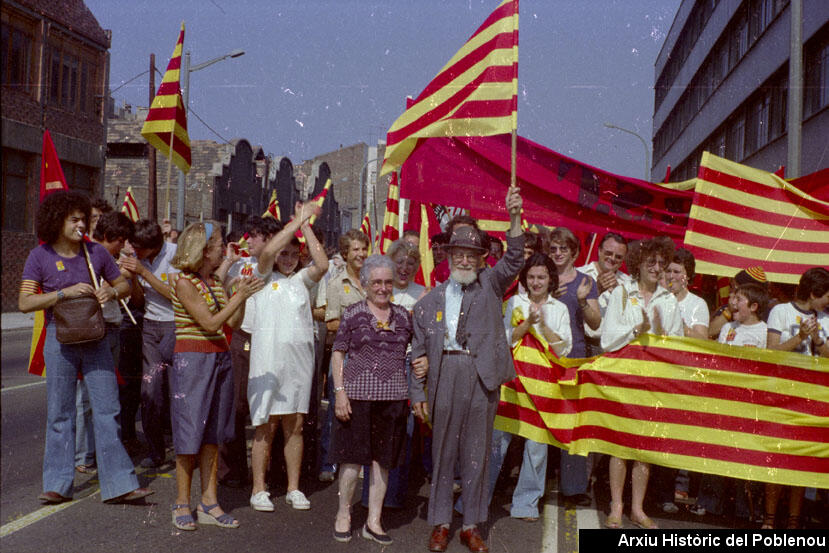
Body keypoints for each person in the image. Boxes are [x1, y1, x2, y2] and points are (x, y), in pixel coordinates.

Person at [19, 190, 152, 504]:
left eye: (84, 219)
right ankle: (57, 484)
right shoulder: (40, 256)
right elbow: (25, 302)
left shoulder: (97, 253)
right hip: (59, 338)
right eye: (75, 219)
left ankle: (119, 483)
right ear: (57, 221)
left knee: (108, 410)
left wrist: (112, 291)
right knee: (59, 413)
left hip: (97, 339)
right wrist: (63, 294)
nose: (82, 225)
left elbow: (123, 284)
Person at [410, 186, 524, 553]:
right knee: (443, 453)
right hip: (444, 377)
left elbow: (516, 258)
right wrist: (417, 393)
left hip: (480, 378)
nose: (464, 261)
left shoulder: (491, 285)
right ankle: (441, 523)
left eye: (471, 255)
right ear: (448, 255)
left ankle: (472, 525)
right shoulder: (428, 304)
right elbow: (416, 353)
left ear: (480, 259)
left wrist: (515, 216)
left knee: (477, 453)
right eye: (458, 253)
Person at [168, 221, 264, 530]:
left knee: (213, 435)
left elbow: (231, 323)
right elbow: (209, 324)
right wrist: (238, 296)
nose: (224, 248)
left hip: (219, 357)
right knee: (189, 434)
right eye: (219, 244)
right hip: (193, 359)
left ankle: (209, 500)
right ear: (204, 249)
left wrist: (243, 296)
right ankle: (182, 501)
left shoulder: (212, 281)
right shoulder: (184, 282)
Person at [330, 255, 417, 545]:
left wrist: (423, 361)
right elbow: (338, 353)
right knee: (352, 462)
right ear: (366, 283)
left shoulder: (403, 316)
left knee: (383, 462)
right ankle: (344, 514)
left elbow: (415, 352)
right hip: (356, 398)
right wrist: (340, 392)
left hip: (392, 399)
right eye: (377, 282)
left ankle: (374, 520)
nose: (382, 287)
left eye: (388, 282)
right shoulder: (354, 313)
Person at [247, 204, 327, 512]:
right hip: (268, 363)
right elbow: (268, 254)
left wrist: (306, 226)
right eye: (285, 253)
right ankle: (258, 489)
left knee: (295, 425)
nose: (288, 259)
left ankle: (294, 488)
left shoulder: (302, 280)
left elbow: (321, 263)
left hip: (298, 365)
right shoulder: (263, 274)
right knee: (266, 426)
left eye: (294, 255)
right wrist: (297, 220)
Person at [600, 235, 683, 529]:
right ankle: (617, 505)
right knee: (621, 445)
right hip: (625, 377)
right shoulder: (623, 292)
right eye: (652, 262)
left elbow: (677, 346)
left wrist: (660, 332)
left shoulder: (670, 300)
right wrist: (638, 328)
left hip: (654, 382)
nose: (657, 267)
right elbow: (607, 338)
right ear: (639, 263)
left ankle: (637, 508)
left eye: (662, 263)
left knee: (644, 447)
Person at [497, 253, 572, 522]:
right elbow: (505, 338)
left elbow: (565, 348)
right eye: (531, 277)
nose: (536, 282)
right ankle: (478, 497)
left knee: (536, 449)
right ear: (524, 279)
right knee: (498, 442)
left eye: (542, 277)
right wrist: (527, 323)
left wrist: (543, 325)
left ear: (551, 279)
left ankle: (526, 503)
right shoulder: (513, 302)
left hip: (543, 388)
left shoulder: (560, 308)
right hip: (512, 383)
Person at [359, 239, 427, 509]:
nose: (405, 267)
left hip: (409, 364)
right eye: (399, 262)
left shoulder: (423, 294)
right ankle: (369, 498)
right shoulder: (380, 290)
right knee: (376, 431)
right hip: (378, 365)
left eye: (411, 263)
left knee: (405, 432)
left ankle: (395, 496)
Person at [215, 215, 281, 488]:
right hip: (243, 336)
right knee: (236, 405)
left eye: (254, 235)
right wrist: (229, 261)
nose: (248, 240)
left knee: (270, 409)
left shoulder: (277, 266)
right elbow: (217, 285)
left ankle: (272, 471)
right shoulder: (241, 264)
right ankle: (232, 471)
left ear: (269, 240)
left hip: (270, 339)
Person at [763, 267, 829, 529]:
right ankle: (768, 520)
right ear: (813, 293)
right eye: (826, 296)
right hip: (783, 394)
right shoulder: (781, 311)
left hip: (810, 396)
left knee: (800, 461)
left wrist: (816, 339)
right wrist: (799, 337)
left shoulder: (825, 318)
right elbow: (772, 352)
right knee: (777, 457)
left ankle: (793, 521)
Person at [73, 212, 136, 475]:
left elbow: (123, 289)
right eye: (120, 241)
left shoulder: (107, 258)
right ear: (111, 237)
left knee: (108, 396)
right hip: (94, 331)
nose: (122, 247)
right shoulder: (90, 255)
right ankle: (84, 455)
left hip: (112, 327)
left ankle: (101, 452)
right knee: (88, 396)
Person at [120, 219, 179, 468]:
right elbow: (139, 301)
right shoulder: (138, 259)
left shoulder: (174, 255)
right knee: (150, 391)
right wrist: (134, 277)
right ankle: (156, 452)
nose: (135, 252)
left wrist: (144, 272)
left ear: (153, 246)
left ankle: (187, 451)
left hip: (176, 327)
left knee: (178, 391)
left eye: (139, 249)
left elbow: (177, 294)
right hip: (151, 328)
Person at [549, 226, 600, 506]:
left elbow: (595, 323)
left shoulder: (585, 281)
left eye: (563, 249)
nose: (557, 254)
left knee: (572, 423)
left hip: (575, 355)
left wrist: (581, 301)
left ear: (574, 252)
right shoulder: (541, 275)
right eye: (553, 249)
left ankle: (574, 488)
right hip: (544, 355)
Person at [318, 229, 370, 482]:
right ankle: (329, 462)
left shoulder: (375, 280)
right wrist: (360, 323)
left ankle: (358, 461)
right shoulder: (336, 284)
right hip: (345, 356)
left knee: (364, 412)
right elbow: (329, 323)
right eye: (355, 250)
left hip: (371, 357)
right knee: (335, 413)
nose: (361, 254)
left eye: (364, 248)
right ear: (345, 254)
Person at [577, 232, 631, 356]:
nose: (612, 259)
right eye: (608, 253)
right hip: (583, 344)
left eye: (618, 257)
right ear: (599, 251)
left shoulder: (628, 283)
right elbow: (570, 311)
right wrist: (596, 291)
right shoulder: (580, 274)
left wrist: (620, 296)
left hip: (612, 350)